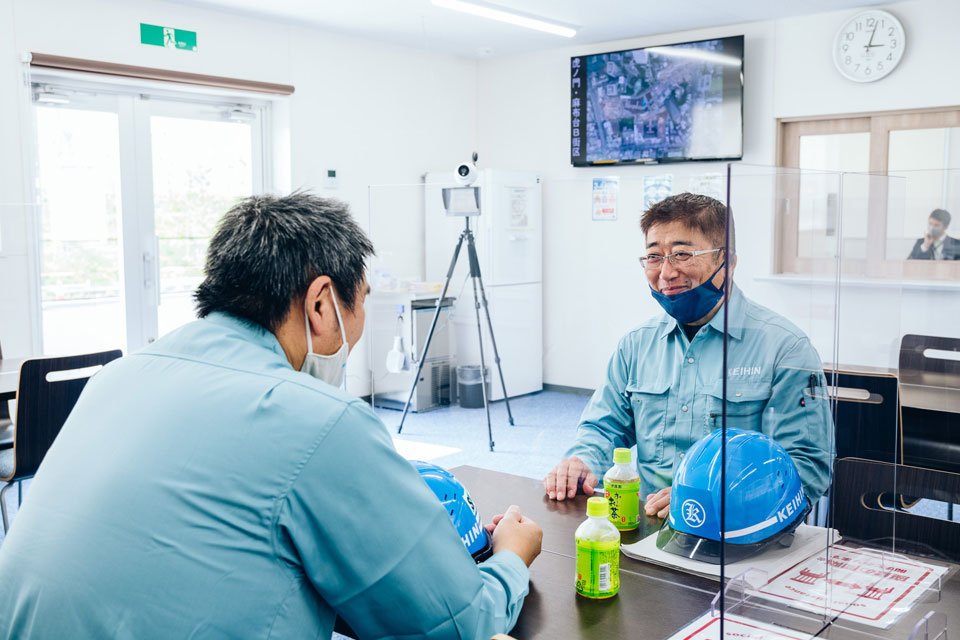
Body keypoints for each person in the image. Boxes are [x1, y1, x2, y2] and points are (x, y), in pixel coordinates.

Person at [0, 193, 542, 639]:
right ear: (321, 303)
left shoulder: (117, 378)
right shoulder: (322, 420)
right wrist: (511, 558)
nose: (358, 326)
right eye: (362, 301)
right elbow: (455, 624)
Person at [543, 193, 832, 520]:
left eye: (682, 254)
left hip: (740, 532)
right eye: (654, 257)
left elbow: (808, 466)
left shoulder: (785, 348)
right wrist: (581, 460)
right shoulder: (637, 345)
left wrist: (719, 498)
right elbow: (603, 425)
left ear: (728, 262)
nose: (666, 273)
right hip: (649, 526)